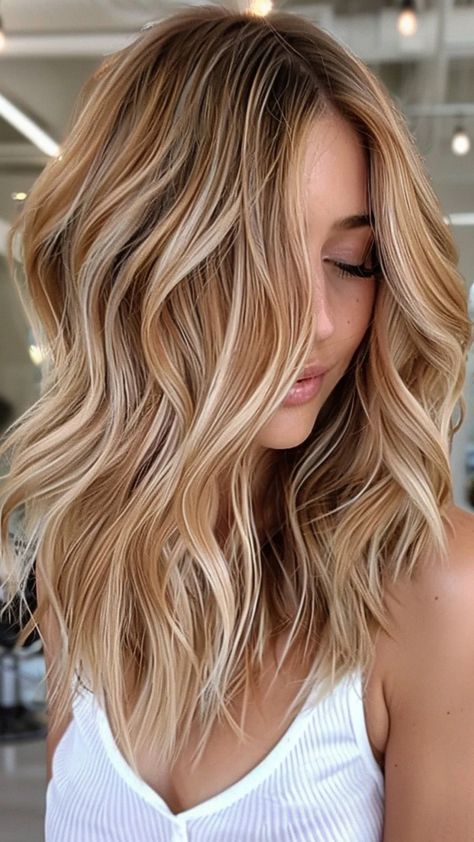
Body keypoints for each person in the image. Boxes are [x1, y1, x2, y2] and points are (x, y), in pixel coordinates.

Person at [0, 4, 473, 840]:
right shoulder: (89, 567)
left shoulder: (436, 591)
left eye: (349, 262)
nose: (317, 323)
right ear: (136, 268)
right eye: (249, 264)